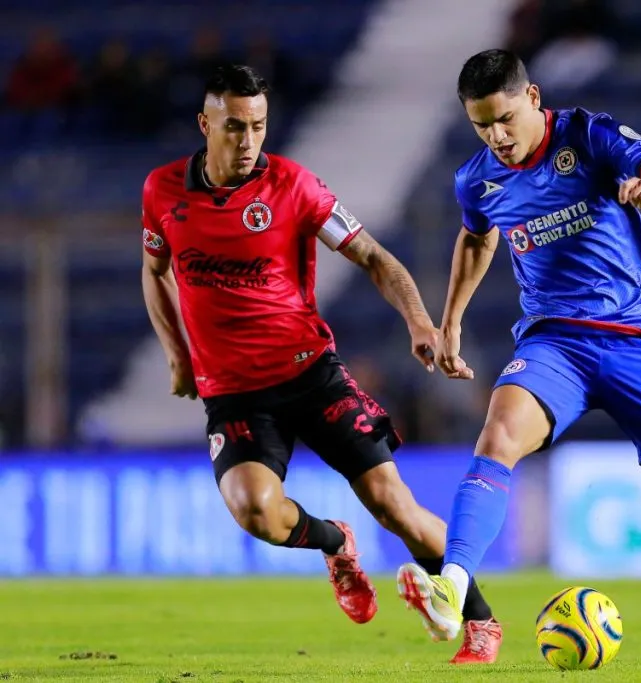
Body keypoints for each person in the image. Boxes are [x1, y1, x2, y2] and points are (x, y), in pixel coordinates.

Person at [395, 49, 641, 662]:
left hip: (637, 344)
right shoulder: (476, 179)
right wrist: (450, 321)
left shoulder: (589, 135)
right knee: (497, 436)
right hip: (555, 343)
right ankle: (452, 586)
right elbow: (477, 236)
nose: (496, 136)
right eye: (481, 125)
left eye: (504, 118)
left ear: (533, 98)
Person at [140, 65, 501, 664]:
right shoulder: (162, 193)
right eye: (234, 127)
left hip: (311, 374)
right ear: (205, 125)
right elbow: (155, 274)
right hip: (233, 393)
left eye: (258, 126)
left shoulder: (293, 186)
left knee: (394, 504)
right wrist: (178, 355)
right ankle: (335, 542)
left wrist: (418, 320)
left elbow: (374, 257)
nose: (249, 140)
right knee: (254, 510)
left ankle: (481, 621)